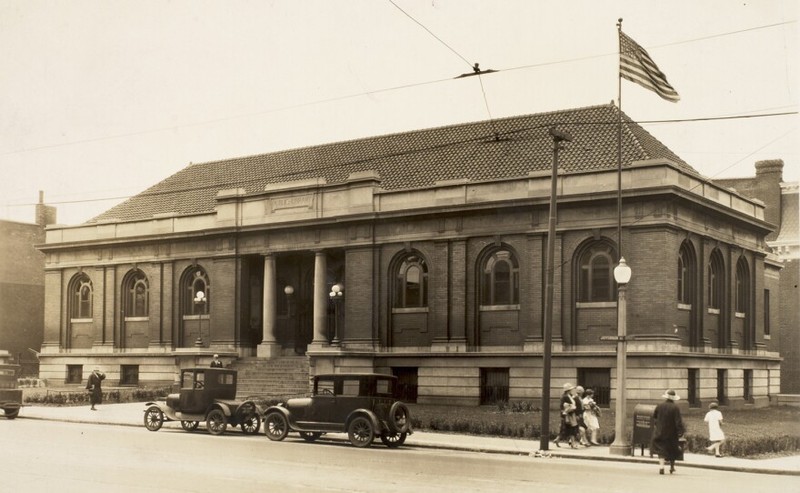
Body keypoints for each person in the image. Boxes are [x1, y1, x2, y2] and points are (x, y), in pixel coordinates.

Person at [651, 389, 686, 475]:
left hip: (660, 431)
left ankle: (661, 467)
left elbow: (654, 416)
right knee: (672, 449)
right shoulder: (675, 407)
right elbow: (678, 421)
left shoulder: (659, 406)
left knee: (661, 450)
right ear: (673, 398)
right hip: (671, 433)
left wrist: (657, 425)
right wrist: (680, 431)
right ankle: (671, 467)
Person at [554, 383, 580, 448]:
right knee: (571, 428)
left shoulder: (569, 396)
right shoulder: (565, 397)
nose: (572, 390)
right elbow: (565, 406)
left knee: (566, 429)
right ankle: (573, 443)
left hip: (570, 414)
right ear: (568, 390)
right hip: (568, 415)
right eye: (571, 389)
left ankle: (557, 439)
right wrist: (572, 408)